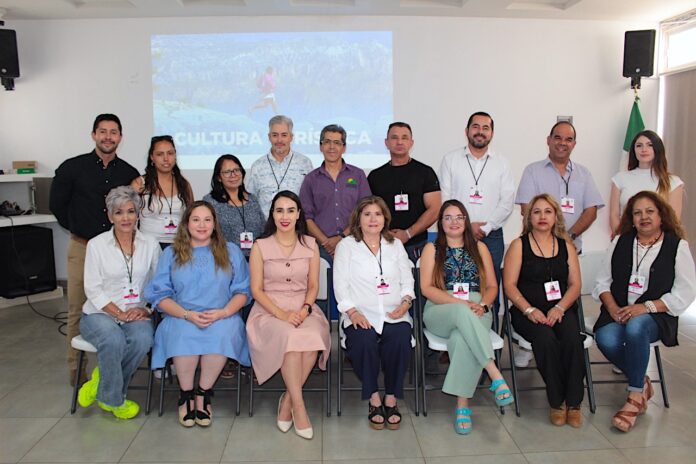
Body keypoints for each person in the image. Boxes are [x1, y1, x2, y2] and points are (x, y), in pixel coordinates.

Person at [592, 191, 695, 433]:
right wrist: (612, 308)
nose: (644, 217)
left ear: (661, 215)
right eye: (637, 213)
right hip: (618, 311)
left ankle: (635, 395)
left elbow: (685, 292)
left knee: (636, 326)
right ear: (631, 218)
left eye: (650, 211)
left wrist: (646, 307)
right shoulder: (620, 242)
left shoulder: (676, 246)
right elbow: (602, 282)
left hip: (656, 315)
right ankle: (643, 382)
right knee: (605, 338)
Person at [50, 113, 140, 386]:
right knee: (77, 307)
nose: (108, 137)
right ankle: (77, 372)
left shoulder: (129, 173)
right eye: (103, 131)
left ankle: (111, 369)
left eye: (113, 132)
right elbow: (57, 205)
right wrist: (79, 229)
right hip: (83, 247)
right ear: (94, 135)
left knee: (121, 304)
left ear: (120, 137)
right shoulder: (71, 168)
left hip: (119, 250)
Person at [144, 201, 251, 428]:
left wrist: (223, 313)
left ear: (214, 224)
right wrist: (187, 315)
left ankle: (202, 394)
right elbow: (160, 296)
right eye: (196, 220)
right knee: (183, 334)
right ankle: (186, 395)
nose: (202, 225)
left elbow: (243, 291)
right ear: (186, 224)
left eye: (207, 220)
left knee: (222, 333)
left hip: (222, 315)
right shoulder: (171, 254)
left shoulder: (231, 251)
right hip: (180, 315)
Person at [514, 121, 603, 368]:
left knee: (564, 301)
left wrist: (567, 238)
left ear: (574, 143)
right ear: (548, 140)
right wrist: (549, 238)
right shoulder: (533, 171)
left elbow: (591, 210)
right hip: (537, 251)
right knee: (536, 294)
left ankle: (562, 345)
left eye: (568, 139)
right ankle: (529, 344)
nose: (562, 143)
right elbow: (526, 208)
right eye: (558, 137)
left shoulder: (584, 174)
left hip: (570, 249)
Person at [420, 200, 514, 435]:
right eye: (448, 217)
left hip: (477, 307)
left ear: (466, 221)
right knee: (462, 314)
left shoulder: (480, 248)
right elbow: (426, 288)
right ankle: (494, 372)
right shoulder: (432, 249)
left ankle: (462, 407)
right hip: (441, 307)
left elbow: (492, 286)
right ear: (440, 223)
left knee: (461, 339)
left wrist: (483, 304)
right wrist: (461, 304)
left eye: (459, 217)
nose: (454, 222)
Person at [246, 191, 331, 440]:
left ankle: (287, 401)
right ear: (272, 214)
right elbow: (256, 290)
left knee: (312, 336)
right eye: (279, 210)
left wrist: (304, 309)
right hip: (269, 310)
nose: (285, 216)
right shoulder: (260, 246)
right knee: (291, 338)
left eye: (290, 210)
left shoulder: (310, 244)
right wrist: (282, 314)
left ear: (298, 214)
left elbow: (313, 286)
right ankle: (299, 406)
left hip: (304, 308)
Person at [77, 186, 160, 419]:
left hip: (136, 312)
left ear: (138, 214)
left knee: (143, 339)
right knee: (113, 339)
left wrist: (146, 309)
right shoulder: (96, 245)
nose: (125, 218)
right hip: (99, 314)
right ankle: (113, 399)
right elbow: (92, 289)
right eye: (119, 212)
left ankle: (101, 382)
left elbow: (158, 283)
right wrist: (119, 314)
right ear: (110, 216)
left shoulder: (150, 244)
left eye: (130, 211)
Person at [502, 193, 585, 427]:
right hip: (527, 313)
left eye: (548, 211)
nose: (542, 216)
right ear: (529, 217)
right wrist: (529, 310)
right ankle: (557, 401)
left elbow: (575, 285)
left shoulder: (566, 246)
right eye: (536, 212)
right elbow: (509, 286)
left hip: (561, 309)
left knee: (572, 339)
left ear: (556, 216)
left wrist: (560, 307)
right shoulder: (519, 245)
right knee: (545, 339)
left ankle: (574, 402)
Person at [333, 196, 415, 430]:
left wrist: (406, 302)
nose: (372, 219)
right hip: (359, 313)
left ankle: (391, 397)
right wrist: (352, 312)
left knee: (399, 338)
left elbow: (407, 279)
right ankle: (373, 397)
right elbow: (340, 284)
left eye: (377, 214)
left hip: (394, 312)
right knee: (364, 341)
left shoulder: (395, 245)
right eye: (367, 214)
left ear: (385, 218)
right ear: (358, 218)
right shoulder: (347, 246)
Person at [439, 111, 515, 316]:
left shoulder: (502, 163)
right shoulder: (450, 160)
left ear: (492, 133)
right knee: (455, 284)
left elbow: (507, 201)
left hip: (491, 236)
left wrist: (486, 227)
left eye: (485, 128)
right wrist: (465, 226)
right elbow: (446, 199)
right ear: (466, 131)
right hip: (456, 235)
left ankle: (490, 329)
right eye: (476, 127)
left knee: (490, 285)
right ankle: (457, 324)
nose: (480, 132)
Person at [368, 122, 441, 262]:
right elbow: (367, 211)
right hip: (382, 243)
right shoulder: (375, 176)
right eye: (394, 137)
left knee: (417, 277)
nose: (399, 142)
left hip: (417, 244)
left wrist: (408, 233)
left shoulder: (425, 172)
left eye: (404, 137)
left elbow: (435, 208)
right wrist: (385, 234)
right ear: (386, 143)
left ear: (411, 143)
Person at [300, 124, 372, 263]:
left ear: (344, 148)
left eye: (337, 142)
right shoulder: (310, 179)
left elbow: (366, 211)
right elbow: (306, 217)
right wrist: (326, 242)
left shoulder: (357, 175)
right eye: (327, 142)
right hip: (321, 249)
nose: (331, 147)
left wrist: (341, 238)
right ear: (321, 146)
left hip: (354, 244)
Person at [609, 130, 684, 237]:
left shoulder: (673, 182)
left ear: (657, 149)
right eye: (639, 146)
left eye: (649, 145)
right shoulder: (620, 178)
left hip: (660, 241)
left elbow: (673, 220)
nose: (644, 149)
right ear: (634, 150)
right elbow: (614, 215)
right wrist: (622, 240)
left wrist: (657, 242)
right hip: (627, 239)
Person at [131, 135, 193, 248]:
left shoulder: (184, 185)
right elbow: (128, 216)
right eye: (160, 154)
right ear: (152, 157)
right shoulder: (140, 183)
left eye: (170, 153)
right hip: (147, 247)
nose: (166, 158)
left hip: (179, 247)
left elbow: (191, 217)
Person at [246, 115, 313, 218]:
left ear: (291, 137)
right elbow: (250, 202)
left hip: (297, 225)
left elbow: (311, 200)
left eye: (284, 135)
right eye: (275, 135)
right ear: (269, 137)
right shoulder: (258, 166)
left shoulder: (305, 163)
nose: (279, 140)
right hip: (266, 226)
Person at [203, 154, 265, 256]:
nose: (233, 175)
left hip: (256, 258)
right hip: (225, 259)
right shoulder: (210, 202)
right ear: (219, 177)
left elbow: (263, 230)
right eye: (227, 172)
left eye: (237, 170)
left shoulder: (252, 199)